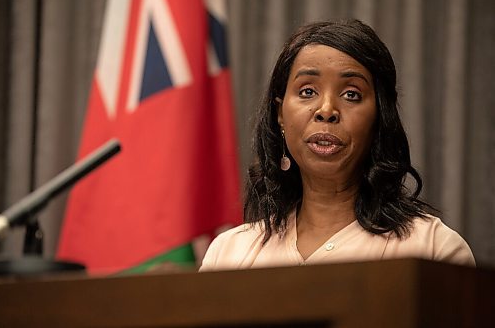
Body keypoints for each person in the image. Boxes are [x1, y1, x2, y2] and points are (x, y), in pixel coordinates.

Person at [200, 19, 475, 271]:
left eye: (351, 94)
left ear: (380, 118)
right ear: (280, 114)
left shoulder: (434, 250)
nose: (327, 110)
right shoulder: (229, 255)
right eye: (308, 91)